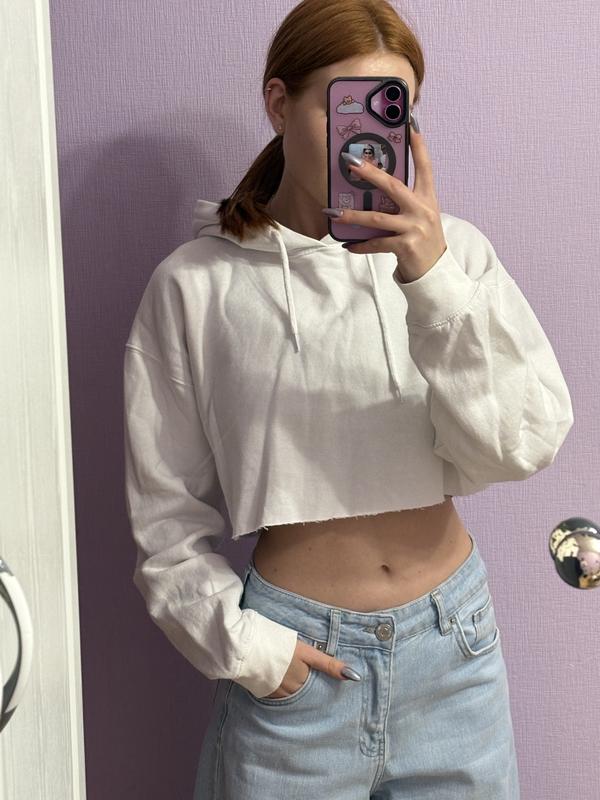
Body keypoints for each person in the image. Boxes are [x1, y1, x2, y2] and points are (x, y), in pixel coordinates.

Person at [123, 1, 574, 797]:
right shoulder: (195, 286)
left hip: (456, 657)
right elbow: (165, 526)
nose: (365, 142)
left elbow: (525, 442)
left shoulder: (454, 257)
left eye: (392, 112)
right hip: (299, 672)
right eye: (344, 108)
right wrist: (255, 653)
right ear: (278, 104)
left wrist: (431, 279)